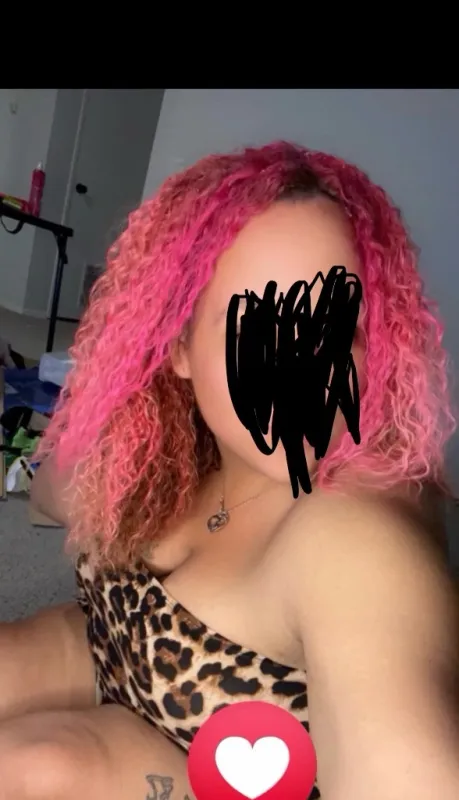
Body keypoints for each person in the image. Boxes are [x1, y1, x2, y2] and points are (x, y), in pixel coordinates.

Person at [0, 140, 458, 800]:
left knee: (27, 765)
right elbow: (52, 488)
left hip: (225, 768)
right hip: (100, 647)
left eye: (335, 329)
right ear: (179, 349)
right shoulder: (176, 440)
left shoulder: (355, 537)